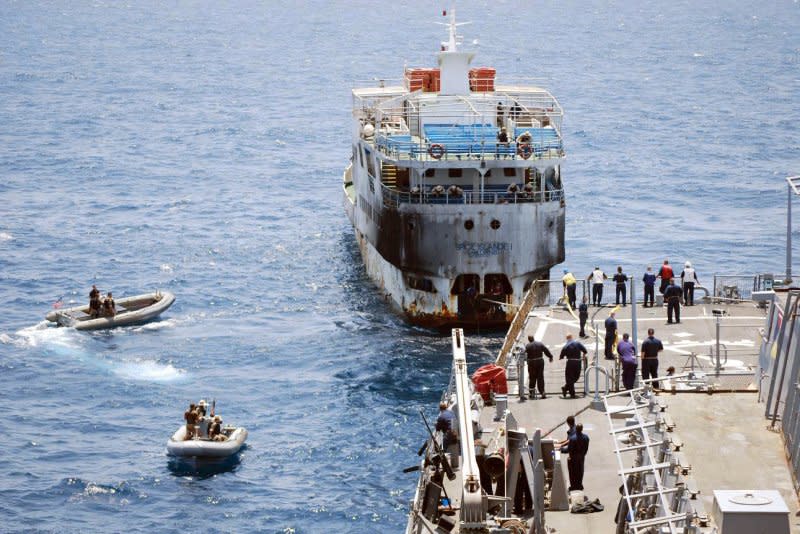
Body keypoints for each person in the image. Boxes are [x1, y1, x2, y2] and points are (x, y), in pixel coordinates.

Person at [525, 335, 554, 399]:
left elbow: (524, 355)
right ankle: (542, 392)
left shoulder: (527, 346)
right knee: (540, 377)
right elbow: (546, 350)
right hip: (540, 362)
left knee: (532, 377)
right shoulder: (540, 344)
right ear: (533, 338)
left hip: (532, 363)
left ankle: (532, 393)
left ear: (529, 339)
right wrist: (550, 357)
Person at [560, 334, 588, 398]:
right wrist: (583, 355)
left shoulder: (566, 346)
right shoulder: (578, 343)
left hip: (570, 362)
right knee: (576, 377)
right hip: (578, 362)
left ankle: (566, 388)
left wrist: (562, 356)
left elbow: (561, 356)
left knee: (570, 378)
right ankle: (571, 393)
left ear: (567, 339)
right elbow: (585, 350)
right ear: (572, 337)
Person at [565, 423, 590, 492]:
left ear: (576, 429)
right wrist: (582, 455)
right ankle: (579, 485)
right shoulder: (586, 437)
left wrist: (561, 450)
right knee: (580, 471)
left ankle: (573, 486)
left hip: (573, 458)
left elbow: (569, 449)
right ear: (582, 429)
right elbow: (586, 448)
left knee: (572, 472)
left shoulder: (573, 439)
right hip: (581, 458)